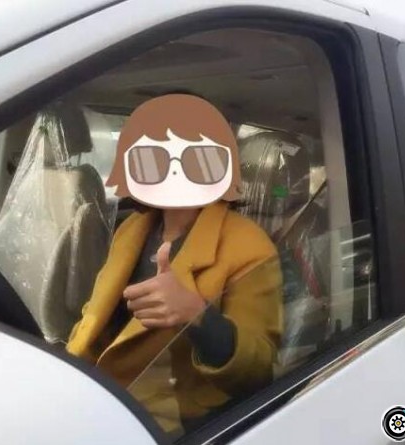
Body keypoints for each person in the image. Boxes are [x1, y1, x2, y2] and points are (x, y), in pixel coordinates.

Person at [66, 94, 283, 432]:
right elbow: (95, 316)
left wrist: (196, 315)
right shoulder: (132, 227)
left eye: (198, 158)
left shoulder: (250, 246)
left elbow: (259, 372)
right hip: (95, 397)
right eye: (152, 159)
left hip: (172, 424)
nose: (175, 171)